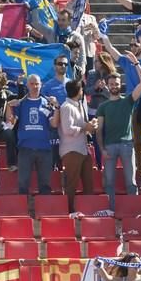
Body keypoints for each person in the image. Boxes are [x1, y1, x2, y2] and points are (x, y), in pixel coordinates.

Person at [96, 54, 141, 210]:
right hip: (109, 147)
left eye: (116, 83)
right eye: (111, 84)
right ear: (107, 85)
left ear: (120, 85)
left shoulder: (128, 100)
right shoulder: (103, 106)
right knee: (109, 183)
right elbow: (99, 130)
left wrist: (136, 63)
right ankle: (110, 211)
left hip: (127, 145)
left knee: (130, 182)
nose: (114, 86)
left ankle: (135, 210)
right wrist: (101, 149)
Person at [5, 74, 61, 197]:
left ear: (41, 85)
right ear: (27, 85)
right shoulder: (21, 103)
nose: (35, 86)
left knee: (45, 185)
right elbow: (11, 123)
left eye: (37, 84)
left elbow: (54, 124)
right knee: (23, 184)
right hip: (25, 149)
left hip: (44, 149)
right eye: (32, 84)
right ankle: (23, 211)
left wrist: (57, 107)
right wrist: (9, 106)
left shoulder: (47, 103)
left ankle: (44, 211)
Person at [59, 79, 97, 213]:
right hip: (71, 150)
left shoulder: (79, 105)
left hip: (82, 149)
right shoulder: (66, 107)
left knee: (89, 182)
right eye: (81, 89)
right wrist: (84, 127)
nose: (82, 91)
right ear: (78, 91)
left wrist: (90, 126)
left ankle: (88, 209)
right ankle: (69, 211)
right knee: (72, 183)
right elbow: (67, 129)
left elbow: (82, 127)